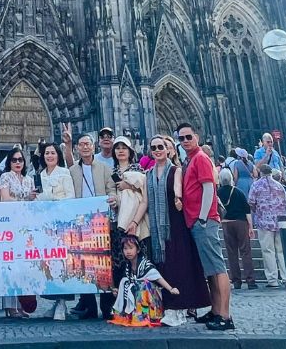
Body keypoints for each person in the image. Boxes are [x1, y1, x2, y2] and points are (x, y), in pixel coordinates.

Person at [145, 134, 210, 327]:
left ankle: (179, 309)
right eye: (154, 148)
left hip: (174, 223)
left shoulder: (176, 170)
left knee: (178, 265)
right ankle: (169, 308)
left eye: (161, 147)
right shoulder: (148, 174)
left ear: (169, 150)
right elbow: (144, 198)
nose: (157, 150)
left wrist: (178, 198)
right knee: (164, 266)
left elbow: (177, 188)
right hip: (157, 228)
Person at [176, 122, 233, 332]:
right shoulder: (190, 159)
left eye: (188, 137)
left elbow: (209, 188)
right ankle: (215, 310)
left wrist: (201, 218)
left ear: (196, 137)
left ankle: (225, 316)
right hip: (196, 220)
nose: (185, 141)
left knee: (217, 268)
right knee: (210, 269)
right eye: (181, 138)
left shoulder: (200, 158)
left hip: (204, 220)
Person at [66, 133, 114, 321]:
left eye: (88, 144)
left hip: (100, 220)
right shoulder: (72, 171)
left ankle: (107, 306)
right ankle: (89, 306)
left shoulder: (104, 168)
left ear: (93, 147)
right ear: (77, 148)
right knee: (82, 264)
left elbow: (111, 189)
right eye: (82, 144)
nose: (85, 147)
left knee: (104, 263)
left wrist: (112, 198)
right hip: (80, 222)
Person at [0, 146, 37, 318]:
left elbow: (34, 202)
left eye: (20, 160)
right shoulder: (5, 177)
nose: (17, 163)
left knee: (24, 265)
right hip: (9, 223)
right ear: (9, 162)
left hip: (26, 225)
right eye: (14, 160)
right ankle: (10, 305)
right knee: (10, 264)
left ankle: (22, 304)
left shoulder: (29, 180)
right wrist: (25, 199)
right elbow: (5, 199)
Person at [107, 234, 179, 327]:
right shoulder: (127, 266)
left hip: (149, 298)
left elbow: (157, 277)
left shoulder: (145, 264)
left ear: (138, 250)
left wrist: (170, 289)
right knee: (126, 282)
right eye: (125, 249)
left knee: (143, 285)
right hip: (135, 294)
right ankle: (128, 315)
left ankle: (144, 316)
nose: (128, 251)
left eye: (131, 248)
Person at [38, 142, 75, 320]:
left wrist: (53, 202)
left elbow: (70, 196)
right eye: (47, 153)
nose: (50, 156)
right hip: (46, 224)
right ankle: (55, 301)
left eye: (53, 153)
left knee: (63, 263)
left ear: (58, 155)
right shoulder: (41, 174)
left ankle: (62, 303)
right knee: (49, 264)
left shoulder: (64, 172)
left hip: (61, 223)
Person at [109, 135, 148, 291]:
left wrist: (129, 186)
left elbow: (145, 191)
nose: (121, 151)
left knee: (138, 259)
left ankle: (141, 297)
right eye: (117, 148)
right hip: (119, 220)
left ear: (130, 151)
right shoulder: (112, 171)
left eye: (124, 148)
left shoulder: (137, 169)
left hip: (136, 219)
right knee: (121, 260)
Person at [248, 165, 286, 288]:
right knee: (281, 251)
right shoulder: (279, 185)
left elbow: (251, 202)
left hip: (264, 221)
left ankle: (272, 279)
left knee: (268, 251)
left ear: (260, 172)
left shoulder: (256, 185)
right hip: (279, 221)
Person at [217, 167, 256, 290]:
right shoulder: (238, 192)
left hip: (226, 223)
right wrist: (251, 227)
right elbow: (247, 210)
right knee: (245, 251)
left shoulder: (217, 193)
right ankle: (250, 280)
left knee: (231, 253)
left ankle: (236, 281)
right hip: (241, 223)